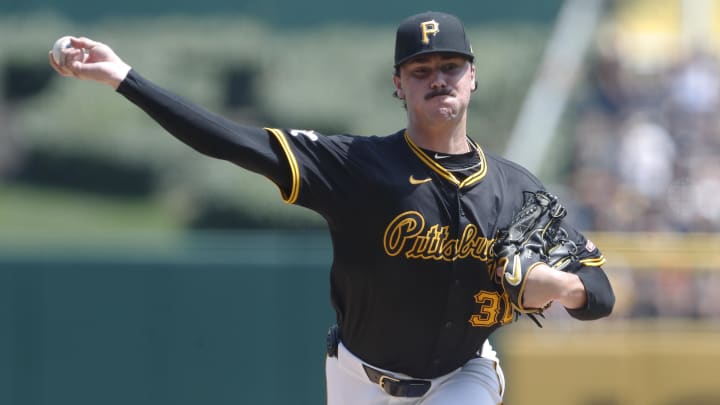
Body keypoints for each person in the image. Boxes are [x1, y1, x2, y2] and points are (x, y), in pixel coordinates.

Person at [49, 11, 614, 405]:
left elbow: (602, 293)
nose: (437, 79)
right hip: (357, 380)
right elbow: (227, 140)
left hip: (463, 378)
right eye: (421, 70)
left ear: (473, 76)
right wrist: (124, 77)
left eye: (450, 66)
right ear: (399, 84)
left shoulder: (516, 192)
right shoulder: (357, 166)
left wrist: (558, 286)